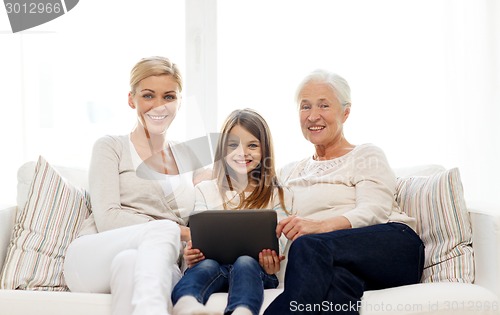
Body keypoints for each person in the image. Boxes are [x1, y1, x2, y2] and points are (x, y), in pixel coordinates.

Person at [263, 70, 425, 315]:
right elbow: (277, 222)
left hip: (392, 247)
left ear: (345, 112)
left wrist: (320, 226)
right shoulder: (289, 172)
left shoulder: (365, 155)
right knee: (337, 286)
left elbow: (375, 211)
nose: (313, 116)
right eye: (305, 107)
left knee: (308, 246)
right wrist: (269, 254)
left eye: (324, 105)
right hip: (337, 263)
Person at [63, 56, 209, 315]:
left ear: (179, 102)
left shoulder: (189, 156)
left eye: (169, 97)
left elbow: (221, 193)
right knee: (161, 232)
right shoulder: (111, 147)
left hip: (159, 263)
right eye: (148, 96)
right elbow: (107, 217)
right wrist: (181, 233)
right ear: (132, 99)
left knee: (131, 263)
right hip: (94, 255)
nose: (159, 106)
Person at [171, 108, 293, 315]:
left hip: (257, 272)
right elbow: (198, 235)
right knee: (206, 265)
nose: (242, 153)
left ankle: (242, 311)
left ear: (265, 151)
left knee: (245, 262)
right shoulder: (204, 190)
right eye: (233, 145)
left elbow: (279, 243)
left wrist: (272, 261)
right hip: (211, 266)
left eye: (252, 145)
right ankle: (186, 304)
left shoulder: (278, 194)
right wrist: (191, 253)